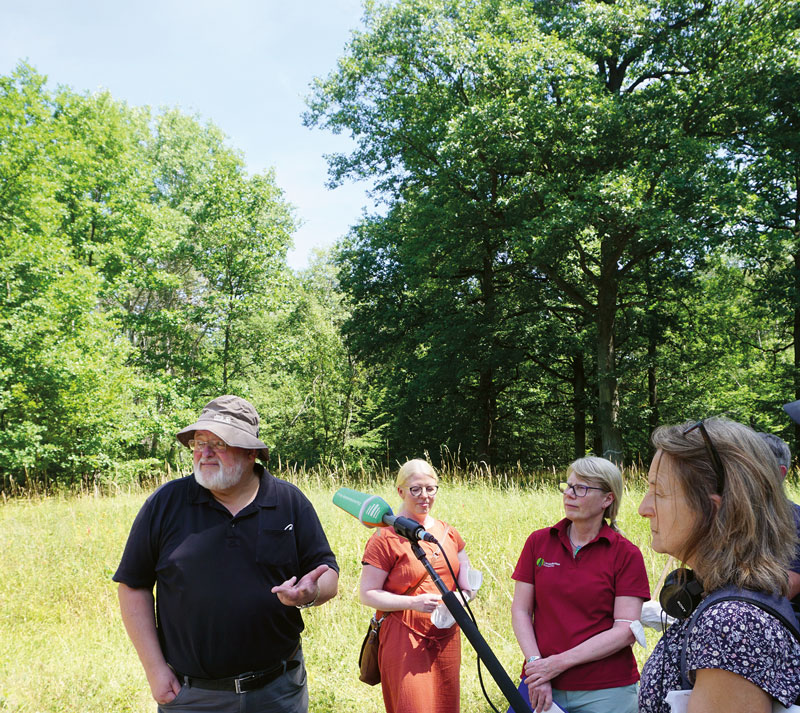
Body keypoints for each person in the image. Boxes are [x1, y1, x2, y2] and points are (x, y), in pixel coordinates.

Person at [113, 395, 339, 713]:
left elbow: (326, 572)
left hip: (278, 691)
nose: (204, 453)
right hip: (193, 697)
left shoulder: (288, 501)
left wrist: (311, 592)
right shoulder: (167, 503)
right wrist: (154, 669)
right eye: (199, 442)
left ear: (250, 453)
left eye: (219, 443)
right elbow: (133, 584)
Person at [638, 418, 800, 713]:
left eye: (658, 493)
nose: (644, 509)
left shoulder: (732, 622)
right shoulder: (716, 598)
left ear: (714, 510)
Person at [509, 456, 650, 713]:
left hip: (606, 690)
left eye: (581, 488)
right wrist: (537, 667)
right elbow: (520, 610)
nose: (569, 494)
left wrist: (557, 664)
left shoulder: (626, 554)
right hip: (541, 682)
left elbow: (627, 629)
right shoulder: (539, 542)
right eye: (568, 486)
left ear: (607, 499)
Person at [359, 459, 473, 713]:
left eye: (430, 489)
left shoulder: (448, 533)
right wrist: (413, 602)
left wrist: (465, 596)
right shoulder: (385, 538)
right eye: (416, 489)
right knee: (412, 706)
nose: (425, 496)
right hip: (404, 638)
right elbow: (367, 594)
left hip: (446, 635)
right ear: (400, 491)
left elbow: (467, 582)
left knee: (445, 705)